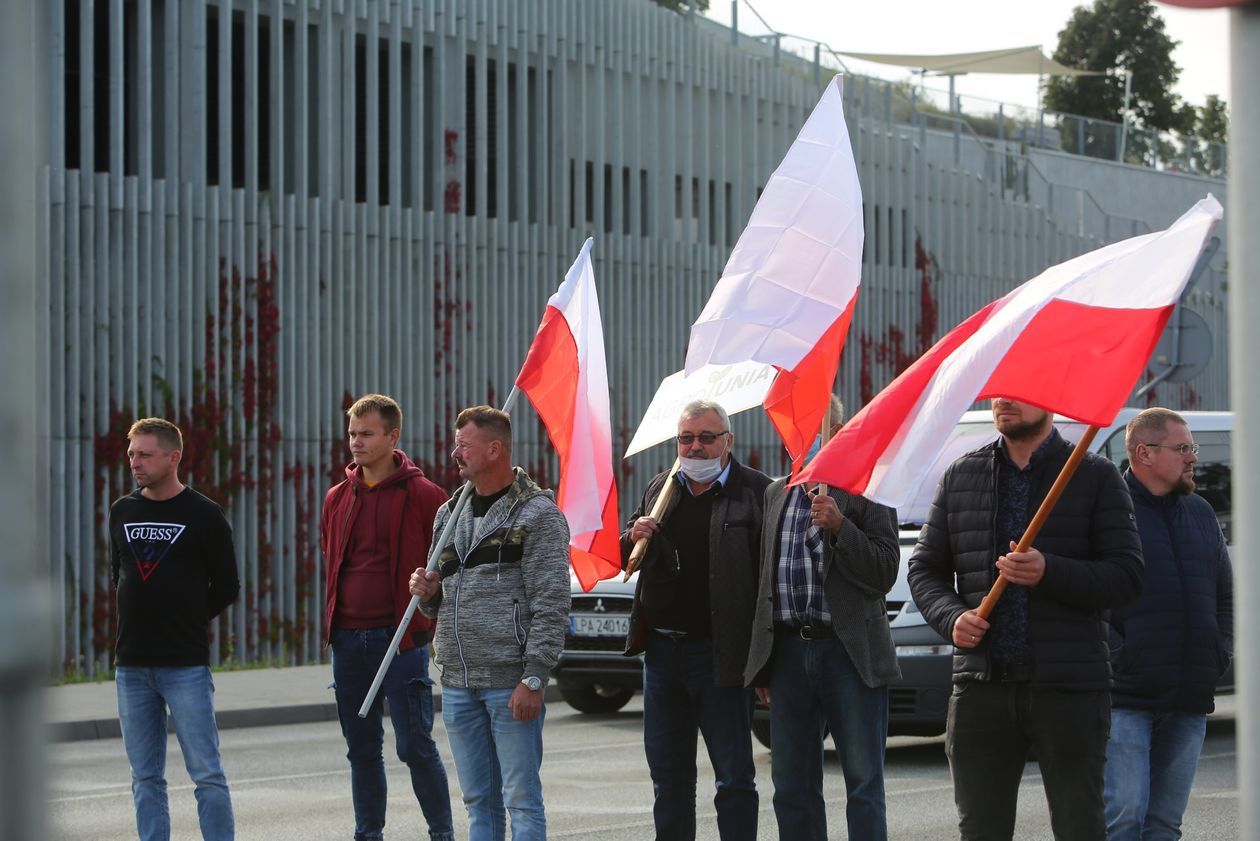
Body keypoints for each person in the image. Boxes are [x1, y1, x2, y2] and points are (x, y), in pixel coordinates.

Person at [907, 397, 1144, 841]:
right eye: (999, 390)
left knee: (1080, 825)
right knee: (981, 829)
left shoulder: (1093, 475)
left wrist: (1049, 570)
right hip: (981, 687)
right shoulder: (962, 474)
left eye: (1019, 391)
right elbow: (924, 570)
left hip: (1069, 687)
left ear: (1050, 402)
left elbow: (1127, 576)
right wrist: (951, 617)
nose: (1004, 400)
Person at [409, 405, 570, 841]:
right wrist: (428, 593)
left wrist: (535, 678)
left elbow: (552, 603)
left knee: (521, 798)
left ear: (495, 449)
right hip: (459, 681)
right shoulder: (449, 514)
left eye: (464, 444)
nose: (454, 452)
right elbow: (437, 606)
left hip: (510, 682)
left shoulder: (538, 516)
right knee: (478, 801)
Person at [744, 396, 900, 841]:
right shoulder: (777, 491)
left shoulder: (866, 484)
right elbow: (765, 582)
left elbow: (885, 570)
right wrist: (763, 659)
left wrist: (840, 528)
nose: (805, 435)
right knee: (792, 785)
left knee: (863, 783)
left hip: (848, 653)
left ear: (838, 428)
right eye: (795, 425)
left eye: (816, 424)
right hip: (790, 654)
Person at [622, 399, 771, 841]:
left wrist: (765, 659)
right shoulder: (660, 489)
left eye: (707, 438)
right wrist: (632, 535)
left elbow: (768, 582)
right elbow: (627, 556)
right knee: (669, 780)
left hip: (722, 657)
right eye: (686, 438)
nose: (695, 447)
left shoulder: (758, 492)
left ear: (728, 441)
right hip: (664, 655)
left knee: (734, 778)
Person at [321, 394, 454, 841]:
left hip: (401, 641)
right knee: (361, 750)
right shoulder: (337, 497)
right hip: (347, 639)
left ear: (392, 436)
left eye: (366, 434)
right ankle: (368, 835)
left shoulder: (426, 495)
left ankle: (442, 834)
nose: (356, 442)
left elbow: (445, 569)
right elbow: (331, 559)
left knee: (414, 746)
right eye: (352, 434)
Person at [1104, 408, 1233, 840]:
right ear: (1144, 453)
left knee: (1164, 824)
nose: (1192, 458)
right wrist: (1120, 657)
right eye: (1183, 449)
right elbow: (1089, 597)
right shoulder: (1108, 512)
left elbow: (1224, 594)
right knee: (1124, 818)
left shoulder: (1199, 512)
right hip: (1126, 697)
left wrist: (1220, 650)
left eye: (1190, 449)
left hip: (1190, 693)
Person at [110, 418, 240, 841]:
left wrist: (188, 617)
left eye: (144, 454)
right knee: (144, 777)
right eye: (132, 454)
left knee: (206, 774)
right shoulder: (122, 511)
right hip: (131, 666)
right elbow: (120, 573)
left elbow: (227, 584)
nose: (135, 462)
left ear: (173, 457)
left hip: (184, 665)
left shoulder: (203, 514)